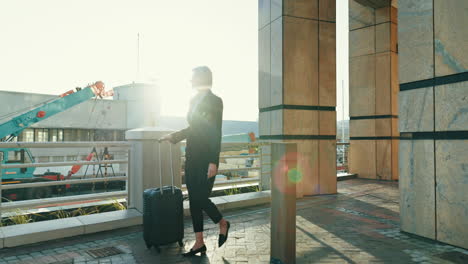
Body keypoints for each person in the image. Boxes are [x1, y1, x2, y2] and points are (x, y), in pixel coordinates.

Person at [160, 66, 230, 257]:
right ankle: (199, 242)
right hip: (192, 157)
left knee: (200, 198)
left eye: (193, 78)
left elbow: (216, 132)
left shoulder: (216, 101)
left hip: (206, 159)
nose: (190, 81)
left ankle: (222, 223)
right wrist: (173, 136)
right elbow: (193, 128)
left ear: (202, 79)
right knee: (194, 200)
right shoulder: (192, 100)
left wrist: (213, 161)